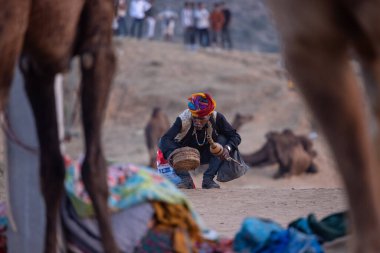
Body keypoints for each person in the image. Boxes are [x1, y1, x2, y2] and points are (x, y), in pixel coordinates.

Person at [158, 93, 241, 189]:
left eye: (201, 119)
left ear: (209, 115)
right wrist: (175, 152)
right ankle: (185, 179)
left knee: (223, 139)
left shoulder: (217, 118)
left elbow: (235, 136)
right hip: (184, 155)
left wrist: (227, 148)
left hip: (207, 154)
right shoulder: (183, 119)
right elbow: (165, 139)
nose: (197, 122)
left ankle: (208, 180)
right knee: (163, 143)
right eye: (195, 118)